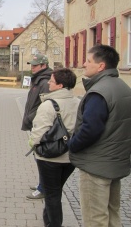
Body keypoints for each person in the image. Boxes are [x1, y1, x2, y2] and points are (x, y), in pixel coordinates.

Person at [68, 45, 131, 227]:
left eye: (88, 61)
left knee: (95, 219)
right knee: (112, 215)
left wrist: (72, 144)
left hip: (96, 166)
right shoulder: (123, 88)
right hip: (115, 163)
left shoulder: (98, 92)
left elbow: (90, 130)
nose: (83, 64)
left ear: (101, 66)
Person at [29, 68, 80, 227]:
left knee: (52, 195)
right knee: (55, 191)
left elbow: (37, 133)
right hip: (70, 157)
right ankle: (48, 221)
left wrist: (32, 145)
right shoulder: (79, 102)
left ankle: (54, 224)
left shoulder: (48, 105)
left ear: (60, 85)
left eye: (52, 80)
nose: (49, 83)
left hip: (49, 158)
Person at [22, 53, 52, 200]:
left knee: (41, 158)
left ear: (43, 66)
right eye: (32, 65)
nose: (32, 68)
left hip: (40, 125)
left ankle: (43, 188)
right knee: (37, 156)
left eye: (35, 65)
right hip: (35, 124)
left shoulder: (45, 82)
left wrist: (31, 118)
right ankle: (42, 184)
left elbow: (46, 106)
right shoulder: (39, 80)